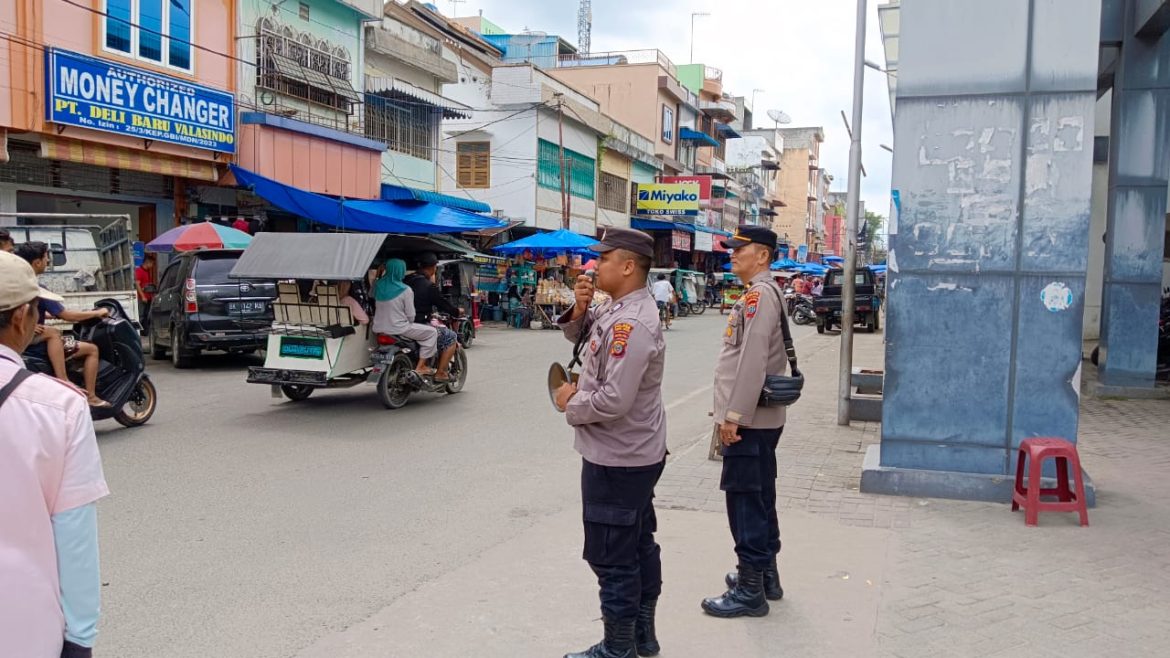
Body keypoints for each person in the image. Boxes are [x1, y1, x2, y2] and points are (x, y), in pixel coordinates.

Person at [554, 228, 668, 658]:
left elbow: (614, 399)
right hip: (632, 451)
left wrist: (571, 402)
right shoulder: (616, 310)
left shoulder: (630, 322)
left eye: (602, 260)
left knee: (611, 555)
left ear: (628, 267)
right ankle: (641, 635)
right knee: (636, 543)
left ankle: (618, 647)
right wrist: (581, 306)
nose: (593, 266)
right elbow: (584, 340)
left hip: (618, 456)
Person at [0, 250, 109, 658]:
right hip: (22, 627)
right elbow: (74, 535)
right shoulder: (59, 407)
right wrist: (80, 638)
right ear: (21, 317)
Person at [703, 225, 789, 619]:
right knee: (759, 496)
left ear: (764, 255)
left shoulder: (759, 296)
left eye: (741, 249)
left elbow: (752, 360)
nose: (732, 254)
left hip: (749, 421)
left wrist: (733, 416)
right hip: (759, 418)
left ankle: (750, 588)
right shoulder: (762, 293)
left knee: (744, 502)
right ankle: (766, 576)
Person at [15, 242, 110, 408]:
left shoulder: (17, 283)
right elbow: (65, 315)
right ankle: (89, 395)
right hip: (32, 341)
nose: (48, 262)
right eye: (46, 258)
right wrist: (96, 313)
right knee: (91, 349)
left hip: (22, 338)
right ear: (37, 262)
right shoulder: (36, 287)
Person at [371, 259, 438, 376]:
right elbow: (411, 315)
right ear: (401, 271)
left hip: (379, 328)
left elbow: (371, 294)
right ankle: (421, 366)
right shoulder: (406, 290)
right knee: (432, 332)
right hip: (399, 328)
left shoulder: (378, 286)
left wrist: (378, 273)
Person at [404, 252, 461, 382]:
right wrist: (456, 311)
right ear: (433, 267)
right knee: (450, 336)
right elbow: (442, 303)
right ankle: (440, 373)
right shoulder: (428, 286)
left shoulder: (405, 281)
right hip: (417, 323)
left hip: (398, 322)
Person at [135, 253, 156, 335]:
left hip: (148, 298)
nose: (152, 265)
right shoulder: (139, 271)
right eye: (152, 263)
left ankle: (145, 331)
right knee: (141, 315)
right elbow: (137, 284)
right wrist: (143, 296)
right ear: (148, 262)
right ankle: (138, 332)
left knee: (147, 315)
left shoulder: (147, 272)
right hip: (142, 298)